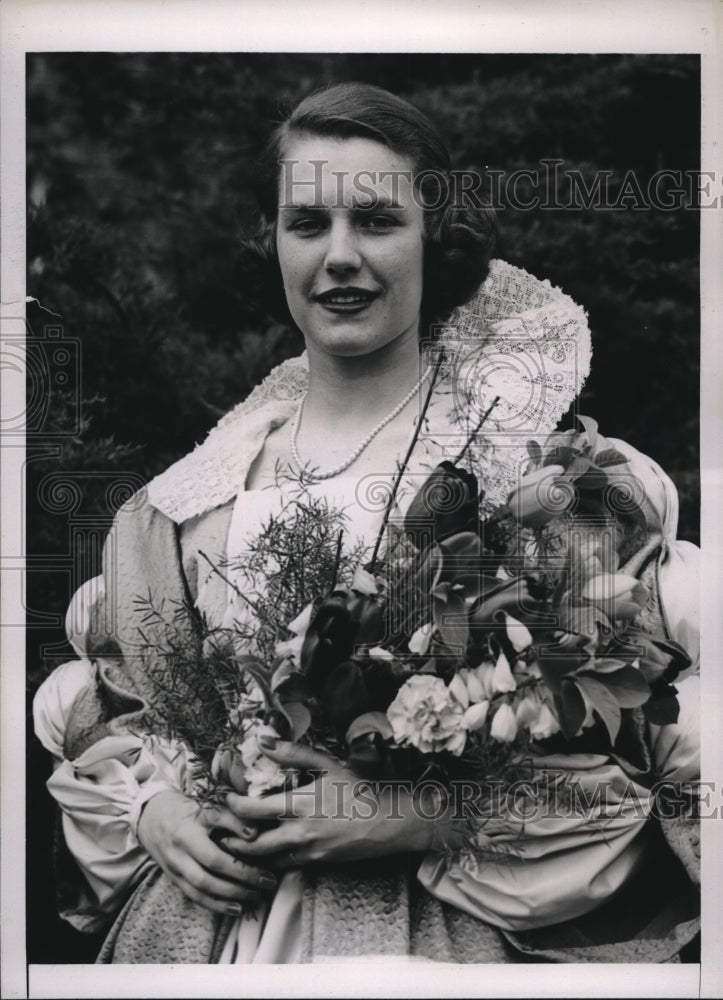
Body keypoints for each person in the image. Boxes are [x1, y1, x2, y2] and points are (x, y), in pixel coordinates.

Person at [33, 82, 700, 964]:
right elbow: (119, 710)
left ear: (435, 239)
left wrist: (424, 815)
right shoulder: (192, 500)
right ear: (270, 241)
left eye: (377, 221)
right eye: (307, 225)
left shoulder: (534, 478)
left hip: (435, 935)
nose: (338, 256)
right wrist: (153, 810)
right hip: (197, 936)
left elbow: (645, 741)